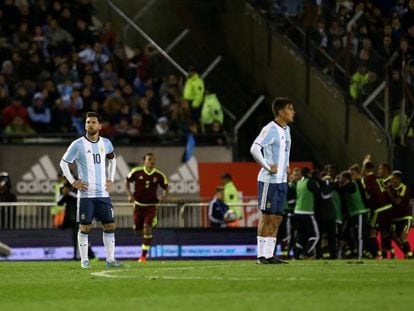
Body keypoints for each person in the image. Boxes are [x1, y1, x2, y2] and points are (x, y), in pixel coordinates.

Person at [59, 111, 124, 269]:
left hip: (103, 193)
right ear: (85, 125)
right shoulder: (78, 144)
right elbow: (63, 163)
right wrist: (73, 181)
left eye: (94, 122)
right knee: (85, 227)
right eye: (88, 122)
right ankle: (84, 261)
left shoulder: (106, 143)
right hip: (86, 195)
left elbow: (113, 159)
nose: (90, 125)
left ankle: (110, 260)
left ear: (99, 126)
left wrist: (111, 179)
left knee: (110, 225)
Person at [250, 97, 295, 264]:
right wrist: (267, 166)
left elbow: (286, 151)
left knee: (277, 218)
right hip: (269, 181)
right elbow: (254, 148)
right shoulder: (270, 128)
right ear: (281, 111)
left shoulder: (287, 130)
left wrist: (287, 166)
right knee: (267, 217)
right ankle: (261, 256)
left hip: (282, 181)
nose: (293, 112)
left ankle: (270, 255)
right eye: (290, 109)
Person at [125, 152, 168, 262]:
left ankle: (143, 256)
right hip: (138, 206)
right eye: (149, 159)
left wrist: (164, 196)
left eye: (153, 160)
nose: (152, 162)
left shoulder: (159, 175)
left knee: (147, 229)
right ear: (144, 161)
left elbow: (166, 188)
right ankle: (147, 232)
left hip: (151, 206)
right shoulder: (136, 172)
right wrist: (130, 195)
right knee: (137, 230)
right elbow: (127, 181)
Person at [57, 177, 97, 261]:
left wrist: (70, 193)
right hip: (70, 217)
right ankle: (87, 255)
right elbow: (59, 202)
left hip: (80, 214)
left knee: (79, 235)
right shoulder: (62, 187)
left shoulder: (78, 185)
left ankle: (83, 256)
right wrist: (64, 194)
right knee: (77, 236)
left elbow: (80, 197)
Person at [388, 171, 413, 259]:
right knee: (394, 236)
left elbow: (398, 202)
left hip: (406, 217)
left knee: (403, 236)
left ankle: (409, 254)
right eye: (391, 179)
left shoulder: (404, 188)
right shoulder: (390, 188)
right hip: (395, 218)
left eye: (393, 179)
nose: (392, 181)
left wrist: (389, 193)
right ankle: (408, 253)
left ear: (398, 179)